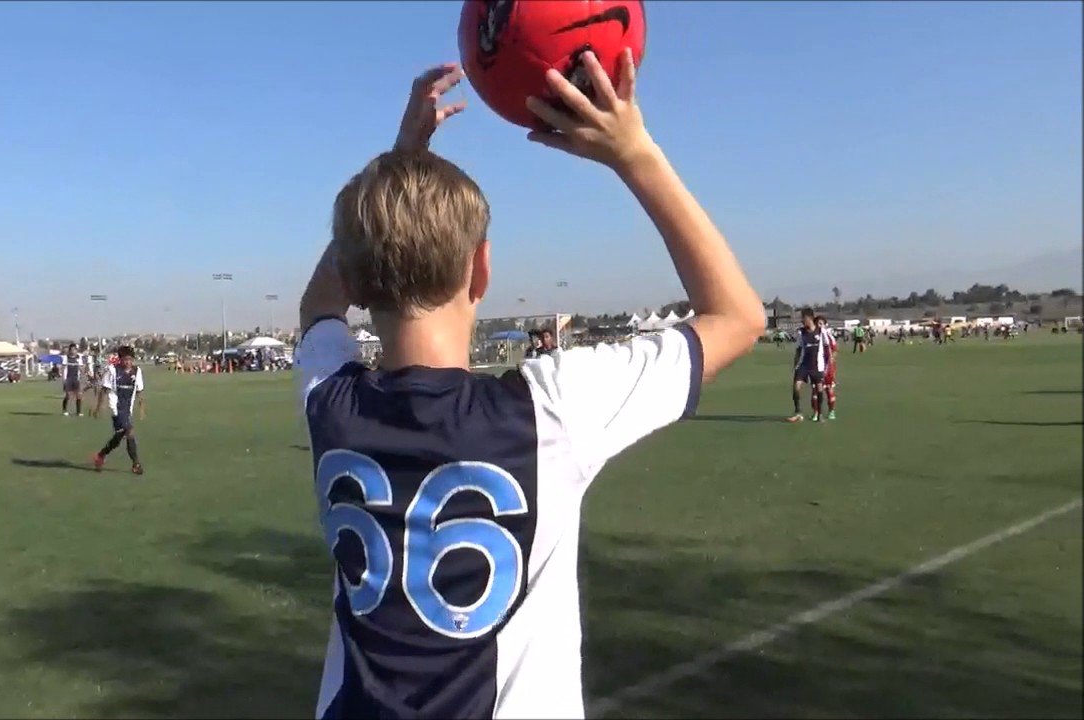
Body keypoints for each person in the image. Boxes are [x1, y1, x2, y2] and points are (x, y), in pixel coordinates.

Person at [294, 52, 764, 719]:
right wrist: (634, 152)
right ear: (481, 270)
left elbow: (318, 307)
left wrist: (399, 165)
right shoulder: (550, 411)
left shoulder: (329, 405)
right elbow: (739, 317)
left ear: (359, 278)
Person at [91, 345, 145, 475]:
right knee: (130, 431)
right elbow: (104, 389)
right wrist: (99, 407)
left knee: (120, 435)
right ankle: (136, 464)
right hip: (116, 407)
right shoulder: (113, 371)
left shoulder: (137, 371)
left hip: (128, 408)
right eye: (125, 359)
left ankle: (101, 455)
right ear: (120, 359)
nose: (128, 362)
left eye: (130, 359)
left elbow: (139, 391)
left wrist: (142, 407)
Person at [789, 308, 827, 423]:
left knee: (820, 389)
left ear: (809, 318)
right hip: (803, 365)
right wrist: (795, 364)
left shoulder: (821, 331)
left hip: (817, 365)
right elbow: (799, 349)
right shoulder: (801, 332)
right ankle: (798, 413)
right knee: (796, 386)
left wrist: (826, 365)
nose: (802, 320)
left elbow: (827, 348)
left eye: (803, 317)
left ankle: (820, 414)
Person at [815, 315, 837, 420]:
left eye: (821, 323)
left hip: (828, 368)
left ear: (825, 325)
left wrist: (829, 365)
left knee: (829, 389)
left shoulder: (828, 336)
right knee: (815, 390)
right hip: (816, 367)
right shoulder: (814, 336)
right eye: (817, 324)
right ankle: (816, 413)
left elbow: (834, 351)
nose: (818, 326)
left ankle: (831, 411)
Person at [62, 343, 85, 416]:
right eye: (71, 350)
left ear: (76, 350)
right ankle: (64, 409)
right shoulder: (66, 358)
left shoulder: (79, 358)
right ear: (69, 350)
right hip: (68, 378)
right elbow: (63, 368)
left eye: (74, 350)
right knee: (68, 396)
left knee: (79, 395)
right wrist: (64, 379)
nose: (73, 351)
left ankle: (79, 411)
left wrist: (83, 375)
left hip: (76, 378)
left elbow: (81, 368)